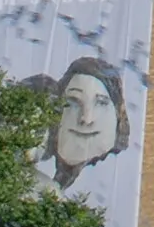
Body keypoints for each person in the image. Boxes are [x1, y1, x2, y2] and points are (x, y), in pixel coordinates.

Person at [33, 56, 130, 218]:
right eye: (73, 102)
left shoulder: (117, 177)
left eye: (100, 103)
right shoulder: (38, 176)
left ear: (117, 114)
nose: (86, 118)